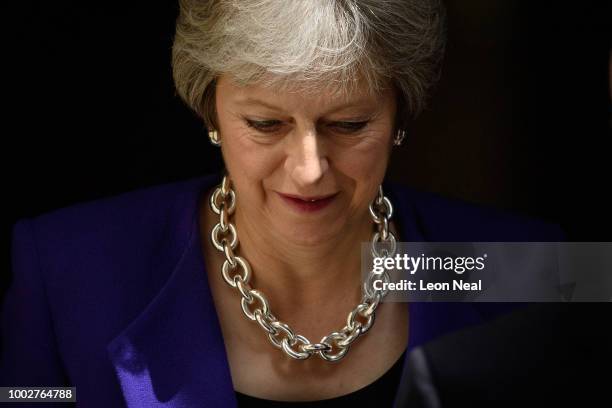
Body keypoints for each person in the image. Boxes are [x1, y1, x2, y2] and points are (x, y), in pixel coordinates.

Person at [1, 0, 564, 406]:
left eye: (349, 124)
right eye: (266, 124)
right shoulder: (64, 270)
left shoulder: (534, 270)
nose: (310, 168)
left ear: (400, 116)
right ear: (211, 113)